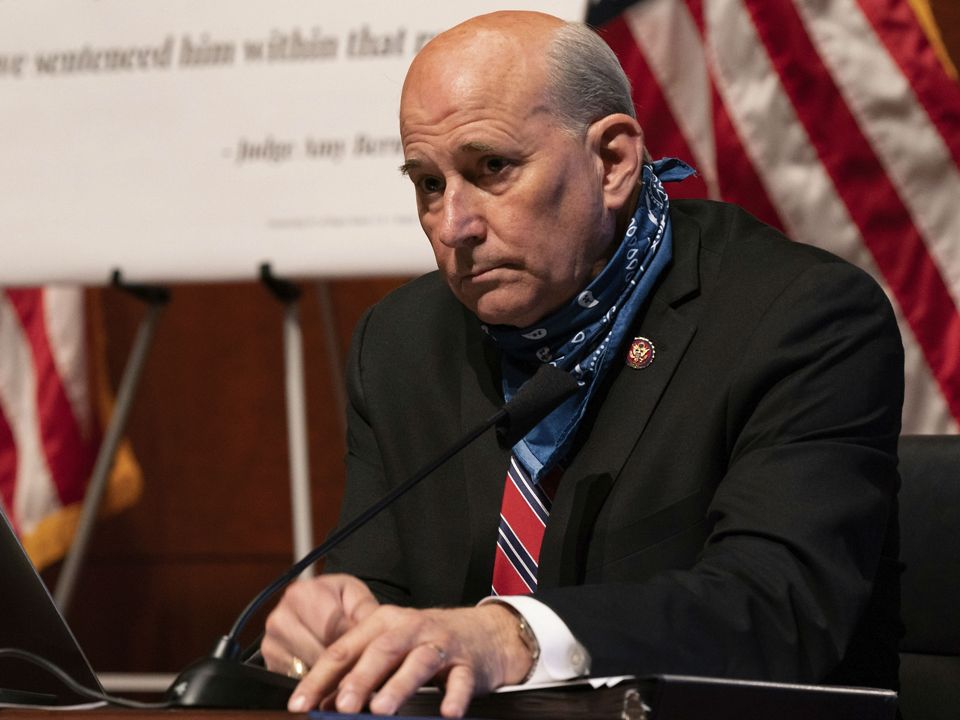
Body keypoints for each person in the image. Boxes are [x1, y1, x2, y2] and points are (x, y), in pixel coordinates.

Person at [260, 10, 903, 719]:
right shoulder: (401, 343)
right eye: (428, 183)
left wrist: (513, 635)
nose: (453, 226)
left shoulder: (797, 318)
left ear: (614, 162)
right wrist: (335, 630)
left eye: (492, 169)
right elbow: (384, 605)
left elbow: (777, 608)